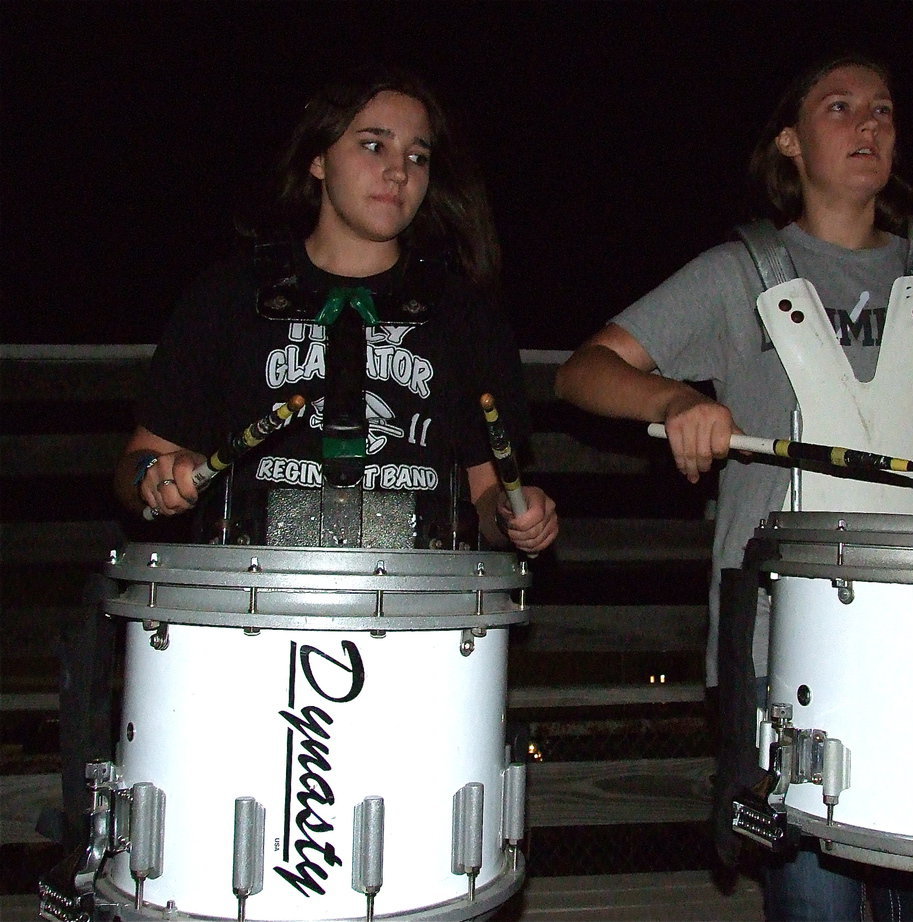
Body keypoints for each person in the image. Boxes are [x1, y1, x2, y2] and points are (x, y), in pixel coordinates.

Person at [555, 53, 913, 922]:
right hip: (785, 641)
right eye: (839, 108)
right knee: (816, 907)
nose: (868, 124)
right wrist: (674, 399)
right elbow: (584, 372)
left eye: (882, 109)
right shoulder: (738, 274)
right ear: (790, 144)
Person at [59, 66, 557, 851]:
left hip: (421, 640)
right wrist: (157, 483)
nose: (399, 170)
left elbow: (493, 498)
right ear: (318, 160)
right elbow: (135, 468)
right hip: (242, 638)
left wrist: (517, 517)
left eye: (419, 155)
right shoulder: (226, 297)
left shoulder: (465, 316)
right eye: (373, 144)